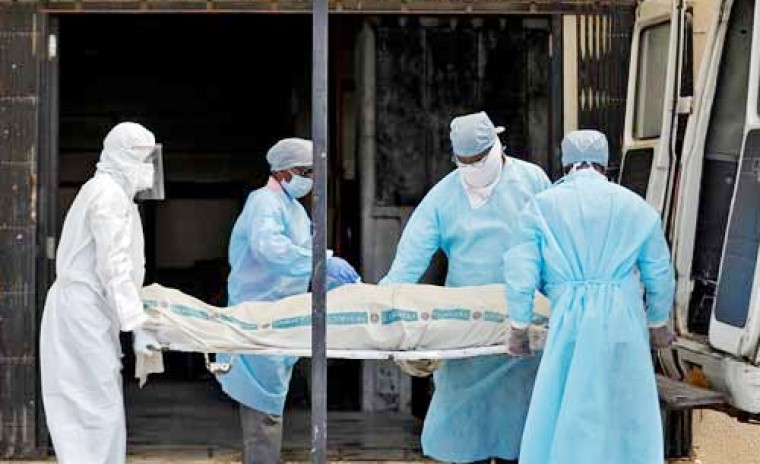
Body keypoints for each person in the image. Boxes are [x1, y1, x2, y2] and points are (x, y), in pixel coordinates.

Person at [380, 111, 551, 463]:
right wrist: (382, 302)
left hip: (522, 319)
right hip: (467, 326)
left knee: (521, 418)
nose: (474, 168)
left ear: (498, 145)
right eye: (466, 162)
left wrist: (557, 303)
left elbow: (555, 243)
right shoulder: (444, 196)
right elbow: (410, 257)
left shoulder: (532, 180)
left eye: (480, 159)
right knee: (463, 424)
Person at [503, 130, 676, 464]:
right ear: (606, 163)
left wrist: (519, 325)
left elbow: (520, 270)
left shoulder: (541, 207)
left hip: (569, 319)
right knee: (624, 408)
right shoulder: (635, 207)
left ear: (565, 162)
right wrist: (657, 322)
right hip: (624, 320)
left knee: (568, 404)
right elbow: (659, 271)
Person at [216, 138, 359, 464]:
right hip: (258, 316)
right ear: (283, 172)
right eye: (306, 172)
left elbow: (300, 255)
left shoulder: (293, 208)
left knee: (271, 404)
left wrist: (329, 276)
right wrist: (322, 261)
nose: (311, 179)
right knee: (262, 409)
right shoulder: (264, 202)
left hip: (282, 316)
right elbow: (270, 249)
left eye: (314, 172)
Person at [40, 122, 160, 463]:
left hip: (90, 310)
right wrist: (136, 324)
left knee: (95, 402)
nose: (149, 169)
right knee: (93, 406)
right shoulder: (107, 196)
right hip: (82, 312)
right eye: (144, 159)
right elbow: (114, 266)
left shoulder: (112, 194)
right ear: (124, 157)